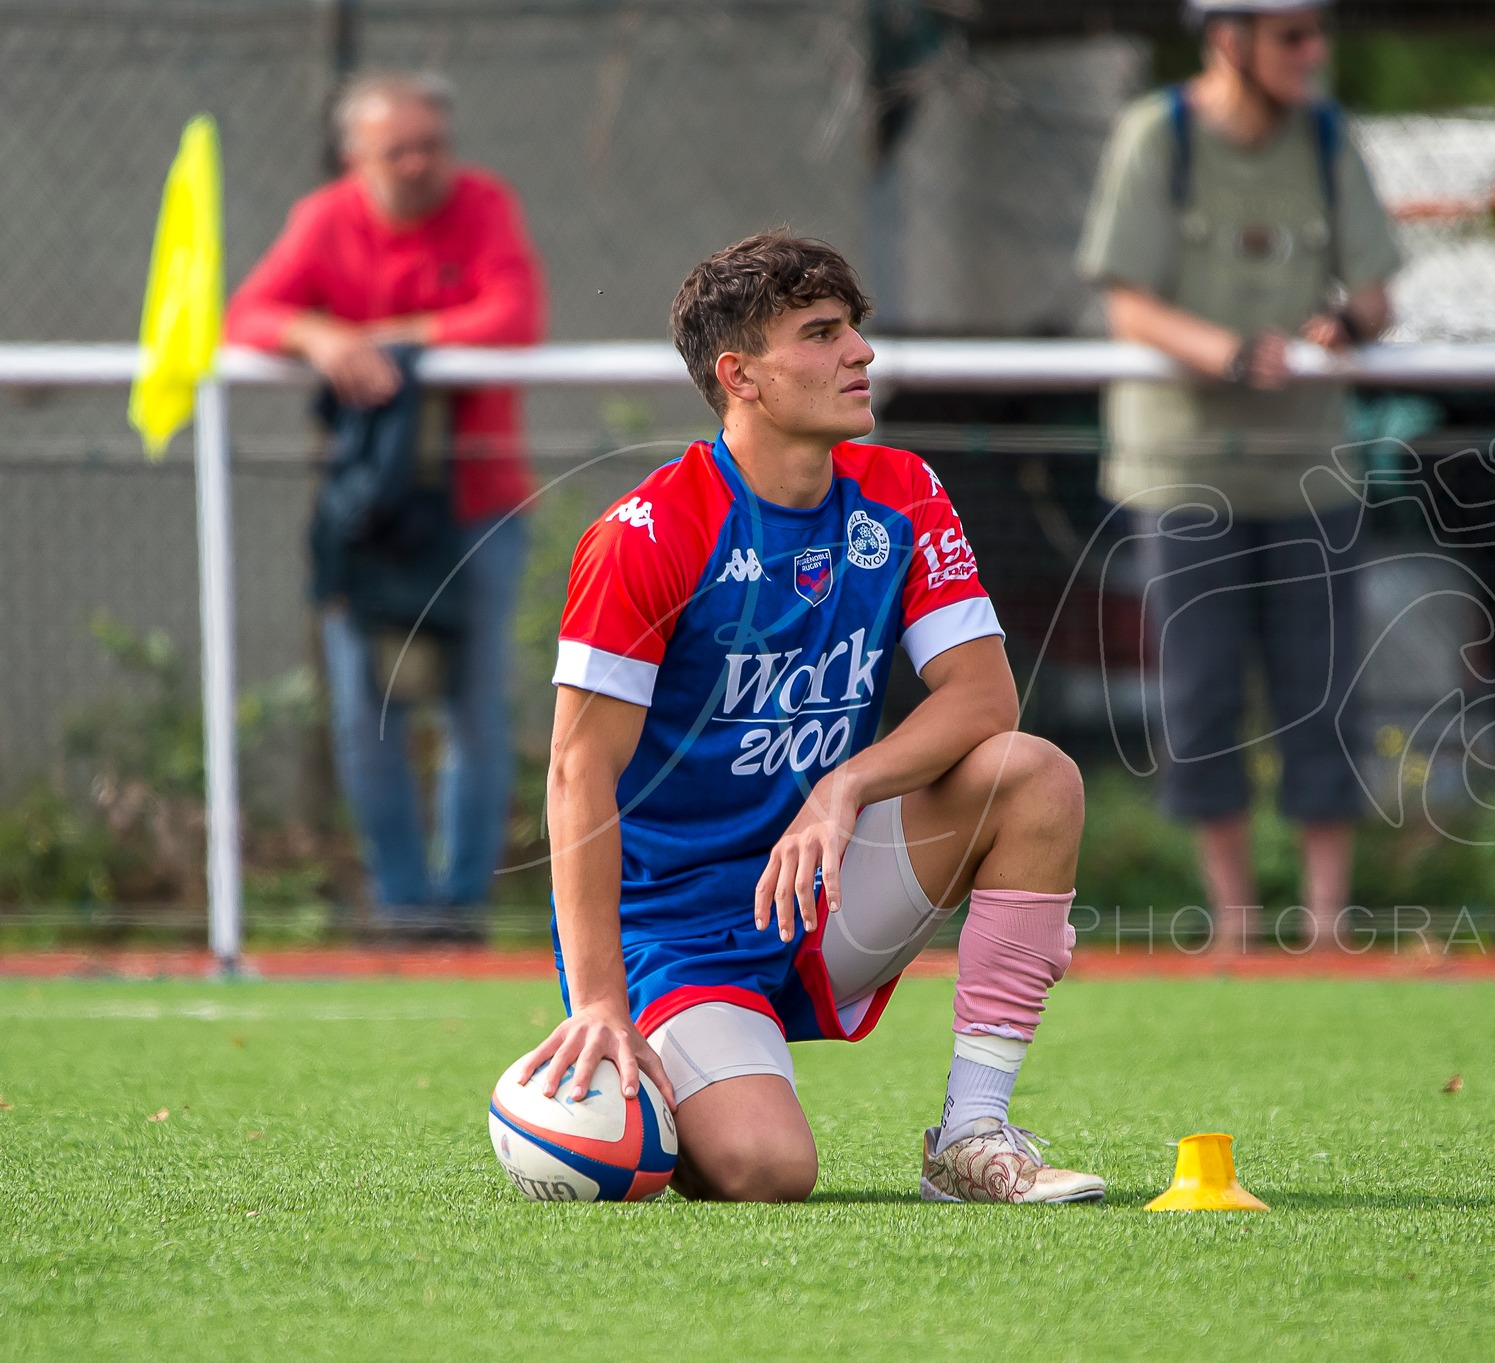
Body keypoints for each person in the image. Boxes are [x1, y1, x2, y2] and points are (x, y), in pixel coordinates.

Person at [514, 232, 1104, 1205]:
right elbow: (578, 775)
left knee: (1030, 772)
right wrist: (602, 1005)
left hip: (821, 886)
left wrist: (846, 784)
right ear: (737, 374)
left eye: (854, 330)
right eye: (821, 334)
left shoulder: (900, 492)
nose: (858, 353)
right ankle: (656, 1075)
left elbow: (982, 697)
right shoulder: (647, 536)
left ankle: (971, 1135)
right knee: (767, 1171)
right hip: (676, 932)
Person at [1076, 0, 1401, 951]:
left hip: (1309, 467)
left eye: (1318, 32)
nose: (1314, 51)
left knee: (1323, 689)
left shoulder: (1329, 136)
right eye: (1291, 35)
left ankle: (1328, 926)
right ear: (1230, 38)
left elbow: (1376, 291)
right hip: (1182, 471)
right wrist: (1225, 352)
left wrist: (1348, 325)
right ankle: (1234, 927)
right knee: (1202, 694)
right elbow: (1126, 302)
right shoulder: (1156, 137)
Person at [225, 71, 546, 937]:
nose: (417, 164)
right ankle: (404, 909)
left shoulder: (482, 206)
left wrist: (392, 343)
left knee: (477, 712)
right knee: (368, 715)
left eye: (430, 145)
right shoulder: (326, 219)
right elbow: (247, 315)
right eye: (396, 149)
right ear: (354, 157)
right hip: (369, 520)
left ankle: (462, 911)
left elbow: (510, 316)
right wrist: (317, 334)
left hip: (478, 509)